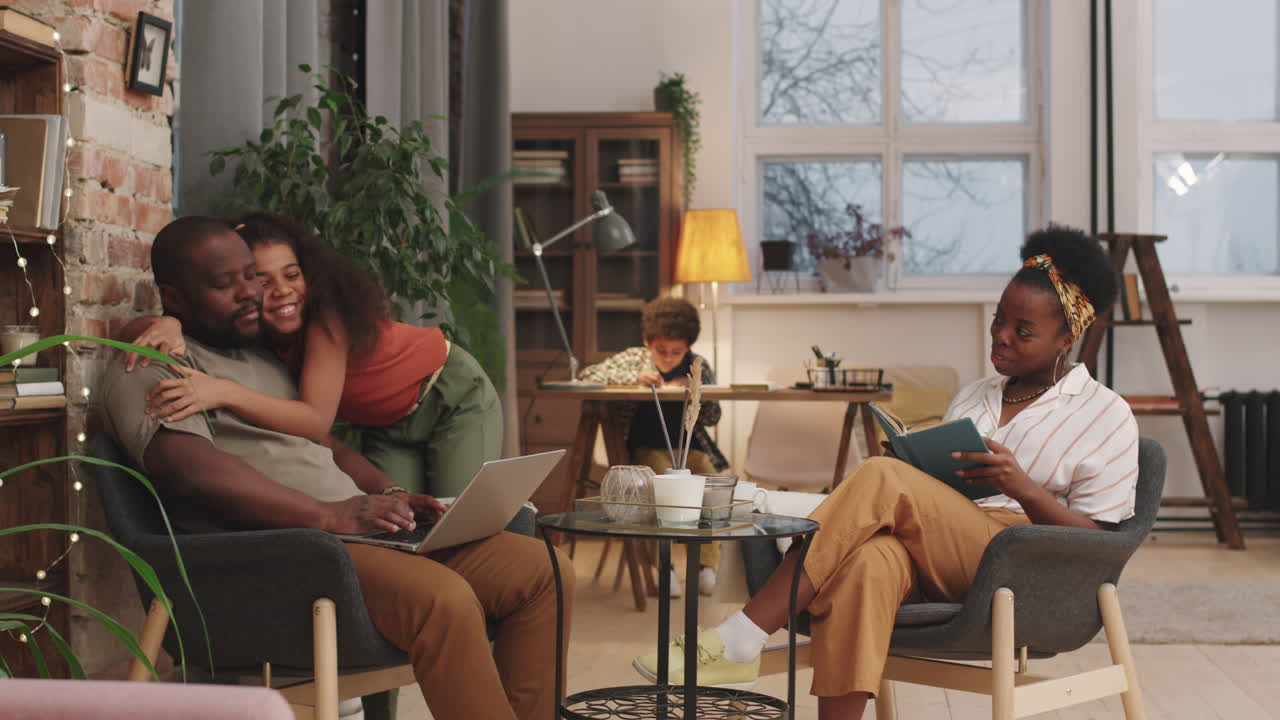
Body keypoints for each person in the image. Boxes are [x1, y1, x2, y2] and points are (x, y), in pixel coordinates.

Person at [632, 225, 1137, 718]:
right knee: (869, 560)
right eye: (999, 319)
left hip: (1023, 564)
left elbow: (1101, 539)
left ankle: (742, 635)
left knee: (879, 478)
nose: (1002, 337)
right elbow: (941, 496)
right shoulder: (976, 395)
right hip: (942, 553)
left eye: (1022, 331)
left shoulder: (1105, 413)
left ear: (1066, 338)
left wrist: (1023, 488)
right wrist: (913, 465)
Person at [99, 216, 572, 720]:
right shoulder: (150, 366)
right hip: (294, 556)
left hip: (363, 534)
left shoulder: (264, 358)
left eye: (249, 277)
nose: (250, 293)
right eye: (224, 284)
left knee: (547, 573)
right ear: (173, 298)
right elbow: (191, 473)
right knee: (445, 600)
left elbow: (328, 446)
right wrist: (327, 516)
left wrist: (390, 492)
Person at [121, 212, 501, 499]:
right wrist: (166, 322)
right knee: (411, 527)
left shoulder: (325, 318)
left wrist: (223, 391)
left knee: (459, 517)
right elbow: (131, 335)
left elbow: (316, 421)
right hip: (386, 426)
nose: (283, 291)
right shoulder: (249, 328)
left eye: (292, 275)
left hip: (449, 398)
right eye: (262, 280)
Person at [579, 296, 729, 597]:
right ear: (648, 342)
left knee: (712, 481)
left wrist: (697, 392)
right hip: (642, 448)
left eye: (677, 352)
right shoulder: (634, 359)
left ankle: (705, 567)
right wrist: (633, 378)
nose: (669, 358)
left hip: (688, 449)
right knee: (661, 485)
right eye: (661, 351)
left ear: (688, 346)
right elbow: (587, 376)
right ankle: (665, 568)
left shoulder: (699, 365)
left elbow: (713, 417)